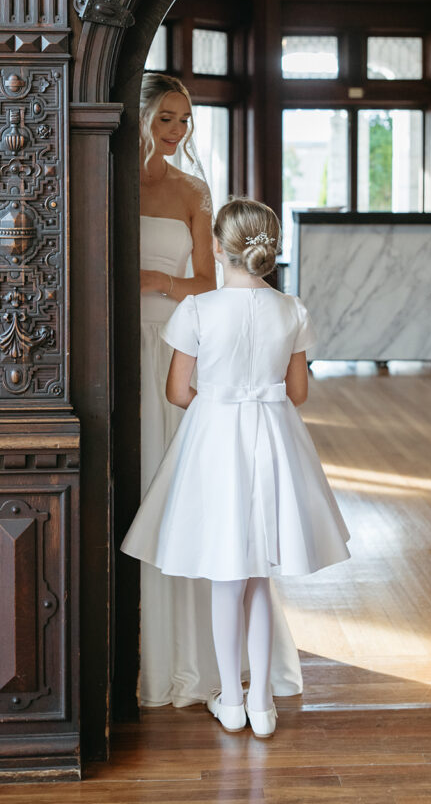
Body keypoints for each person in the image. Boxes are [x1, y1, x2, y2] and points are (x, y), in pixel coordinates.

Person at [123, 197, 350, 736]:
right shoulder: (291, 309)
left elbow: (178, 391)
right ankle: (264, 703)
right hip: (273, 440)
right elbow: (297, 392)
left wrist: (221, 398)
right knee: (258, 578)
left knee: (228, 576)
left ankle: (231, 698)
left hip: (216, 441)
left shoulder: (198, 309)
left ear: (217, 249)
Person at [137, 74, 302, 709]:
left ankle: (208, 669)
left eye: (184, 120)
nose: (177, 132)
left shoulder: (194, 191)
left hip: (180, 342)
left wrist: (153, 278)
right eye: (167, 119)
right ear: (145, 116)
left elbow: (206, 281)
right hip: (128, 341)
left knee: (202, 504)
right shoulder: (111, 174)